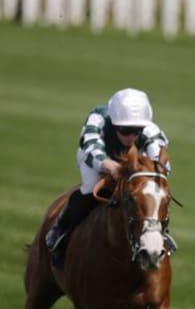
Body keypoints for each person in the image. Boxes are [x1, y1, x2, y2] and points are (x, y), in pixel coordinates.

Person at [45, 88, 172, 254]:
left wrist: (154, 173)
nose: (131, 137)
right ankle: (61, 228)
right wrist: (109, 166)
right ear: (113, 123)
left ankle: (160, 233)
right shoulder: (98, 118)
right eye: (125, 131)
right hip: (97, 158)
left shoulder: (151, 130)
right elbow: (91, 147)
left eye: (137, 131)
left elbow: (161, 161)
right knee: (91, 188)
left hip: (133, 162)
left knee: (153, 194)